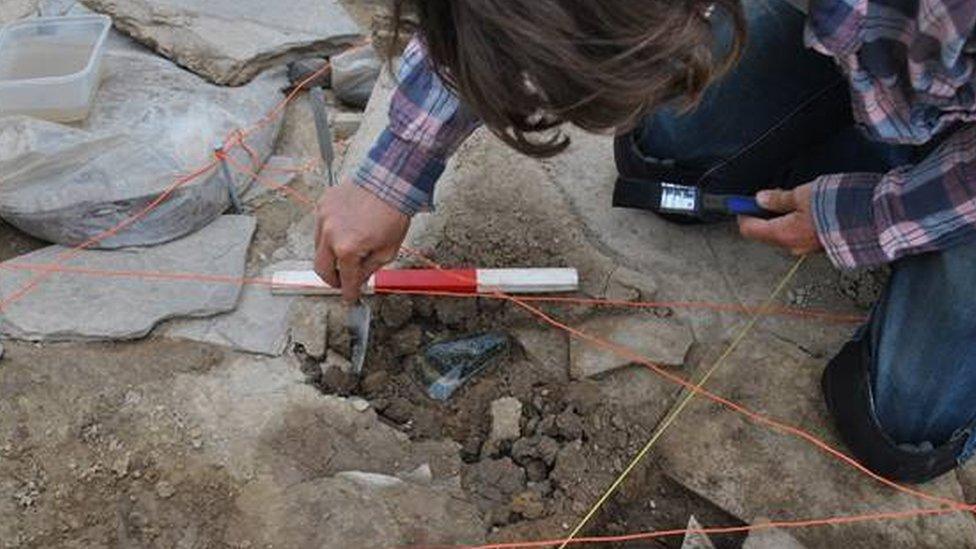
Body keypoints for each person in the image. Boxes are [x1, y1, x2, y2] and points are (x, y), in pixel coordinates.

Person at [313, 0, 976, 483]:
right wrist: (393, 175)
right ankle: (873, 125)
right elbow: (504, 15)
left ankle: (897, 153)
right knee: (663, 158)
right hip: (883, 40)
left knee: (896, 427)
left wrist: (862, 216)